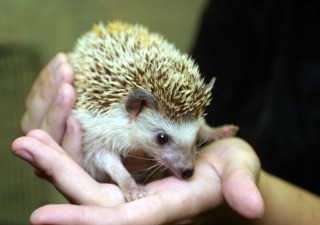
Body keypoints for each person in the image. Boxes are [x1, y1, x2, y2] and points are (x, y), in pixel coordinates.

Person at [12, 1, 320, 224]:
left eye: (189, 143)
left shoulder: (176, 111)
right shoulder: (109, 120)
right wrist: (127, 183)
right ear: (136, 110)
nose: (186, 166)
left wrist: (208, 133)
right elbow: (103, 154)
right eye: (162, 139)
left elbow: (190, 116)